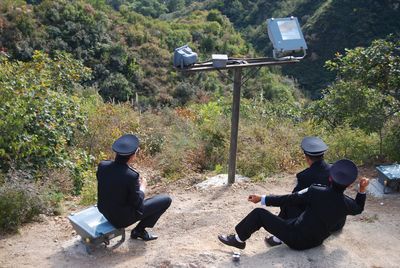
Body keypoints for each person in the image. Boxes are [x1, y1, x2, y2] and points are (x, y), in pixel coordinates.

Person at [218, 159, 369, 251]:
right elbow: (359, 208)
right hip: (316, 241)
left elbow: (288, 199)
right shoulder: (347, 203)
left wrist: (262, 199)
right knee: (301, 214)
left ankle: (238, 240)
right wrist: (362, 190)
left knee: (259, 214)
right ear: (349, 185)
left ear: (330, 178)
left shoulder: (315, 191)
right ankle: (277, 238)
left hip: (297, 239)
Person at [97, 134, 172, 241]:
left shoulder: (103, 166)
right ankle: (139, 231)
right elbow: (137, 204)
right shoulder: (131, 176)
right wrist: (142, 187)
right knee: (166, 200)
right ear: (133, 155)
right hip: (120, 219)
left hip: (104, 211)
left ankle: (138, 230)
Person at [267, 136, 331, 246]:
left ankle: (278, 237)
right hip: (330, 217)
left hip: (311, 217)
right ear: (322, 155)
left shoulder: (304, 176)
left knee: (289, 203)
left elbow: (294, 198)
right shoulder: (333, 169)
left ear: (307, 158)